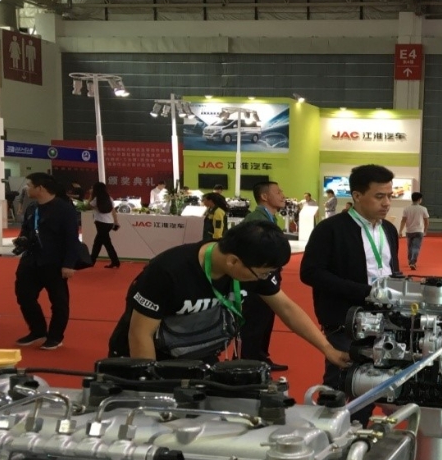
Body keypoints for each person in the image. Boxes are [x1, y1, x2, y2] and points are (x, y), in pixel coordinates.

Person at [108, 221, 350, 372]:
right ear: (233, 261)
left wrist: (327, 348)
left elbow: (286, 308)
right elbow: (140, 333)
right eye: (263, 273)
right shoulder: (168, 271)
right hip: (145, 357)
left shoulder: (249, 266)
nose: (264, 278)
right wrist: (149, 384)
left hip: (197, 356)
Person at [300, 164, 401, 412]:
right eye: (379, 196)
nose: (387, 203)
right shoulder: (330, 229)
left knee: (372, 383)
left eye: (390, 196)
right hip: (345, 322)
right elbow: (310, 273)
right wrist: (364, 291)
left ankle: (360, 429)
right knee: (339, 384)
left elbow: (391, 269)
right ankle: (327, 431)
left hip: (384, 320)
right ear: (357, 195)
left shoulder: (388, 229)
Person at [14, 173, 82, 351]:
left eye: (30, 185)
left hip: (55, 263)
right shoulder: (32, 208)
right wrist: (22, 239)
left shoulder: (64, 209)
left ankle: (55, 337)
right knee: (24, 295)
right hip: (31, 260)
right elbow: (26, 230)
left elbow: (72, 238)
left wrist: (69, 264)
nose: (27, 188)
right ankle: (37, 331)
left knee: (59, 302)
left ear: (40, 188)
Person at [237, 181, 288, 371]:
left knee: (265, 319)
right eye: (278, 192)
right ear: (265, 196)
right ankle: (249, 362)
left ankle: (260, 358)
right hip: (256, 279)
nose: (282, 195)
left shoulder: (269, 218)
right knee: (255, 321)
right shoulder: (256, 220)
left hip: (268, 276)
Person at [89, 182, 120, 268]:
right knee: (102, 242)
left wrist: (91, 195)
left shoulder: (96, 199)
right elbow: (113, 211)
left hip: (100, 222)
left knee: (101, 243)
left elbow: (88, 205)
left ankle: (92, 261)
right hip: (109, 222)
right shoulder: (109, 198)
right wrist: (116, 221)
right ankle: (114, 261)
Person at [399, 192, 430, 271]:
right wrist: (425, 231)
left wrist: (400, 231)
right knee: (416, 247)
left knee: (410, 247)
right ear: (419, 199)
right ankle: (413, 262)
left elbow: (403, 220)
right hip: (419, 230)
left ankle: (410, 260)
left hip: (409, 231)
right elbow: (426, 221)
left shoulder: (406, 208)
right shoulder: (423, 209)